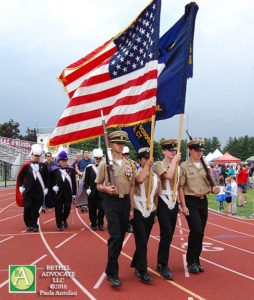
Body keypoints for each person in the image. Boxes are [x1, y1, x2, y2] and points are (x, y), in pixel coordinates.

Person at [96, 131, 134, 287]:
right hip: (110, 202)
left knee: (120, 238)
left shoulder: (129, 164)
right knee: (115, 237)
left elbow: (131, 187)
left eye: (123, 143)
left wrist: (131, 208)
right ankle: (114, 274)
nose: (121, 145)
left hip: (125, 202)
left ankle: (109, 269)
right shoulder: (105, 164)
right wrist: (107, 189)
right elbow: (98, 185)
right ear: (111, 144)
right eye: (118, 143)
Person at [178, 139, 219, 274]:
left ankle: (196, 259)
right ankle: (191, 261)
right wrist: (183, 205)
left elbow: (209, 186)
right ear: (190, 150)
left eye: (201, 151)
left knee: (200, 233)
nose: (199, 153)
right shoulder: (184, 167)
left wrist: (213, 189)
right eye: (197, 150)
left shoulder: (205, 166)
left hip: (203, 201)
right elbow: (181, 187)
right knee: (196, 231)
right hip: (191, 201)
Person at [130, 147, 161, 283]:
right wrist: (146, 167)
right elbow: (140, 180)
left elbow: (156, 196)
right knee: (142, 242)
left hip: (151, 211)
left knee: (144, 240)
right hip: (138, 210)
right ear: (140, 160)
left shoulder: (156, 177)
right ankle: (142, 271)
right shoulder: (136, 172)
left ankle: (136, 263)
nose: (148, 160)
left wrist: (156, 214)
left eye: (150, 158)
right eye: (145, 158)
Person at [153, 139, 182, 280]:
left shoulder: (178, 165)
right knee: (166, 233)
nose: (173, 152)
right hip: (163, 201)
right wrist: (175, 161)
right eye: (170, 150)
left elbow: (180, 186)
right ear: (163, 151)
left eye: (174, 150)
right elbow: (168, 176)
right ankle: (163, 265)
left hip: (174, 202)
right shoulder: (159, 165)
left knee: (169, 235)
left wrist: (181, 204)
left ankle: (161, 261)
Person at [17, 144, 49, 232]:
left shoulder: (43, 166)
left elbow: (47, 178)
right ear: (32, 155)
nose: (37, 157)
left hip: (38, 192)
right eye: (35, 156)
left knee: (36, 209)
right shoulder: (26, 166)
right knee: (27, 208)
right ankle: (28, 224)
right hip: (28, 191)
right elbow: (20, 177)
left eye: (38, 156)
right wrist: (20, 186)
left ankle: (35, 224)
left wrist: (46, 188)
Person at [50, 151, 76, 231]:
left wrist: (74, 193)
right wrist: (53, 187)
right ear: (59, 161)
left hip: (68, 193)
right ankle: (59, 224)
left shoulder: (71, 169)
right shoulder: (54, 170)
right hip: (58, 193)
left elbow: (74, 181)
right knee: (58, 209)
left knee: (67, 208)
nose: (64, 162)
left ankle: (64, 219)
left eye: (66, 160)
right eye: (63, 160)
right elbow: (50, 181)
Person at [84, 148, 105, 231]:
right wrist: (87, 188)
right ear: (94, 158)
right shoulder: (89, 168)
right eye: (97, 158)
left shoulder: (105, 167)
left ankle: (100, 223)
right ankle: (93, 223)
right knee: (92, 208)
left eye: (100, 158)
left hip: (102, 191)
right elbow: (86, 180)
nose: (98, 160)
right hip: (92, 191)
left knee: (102, 208)